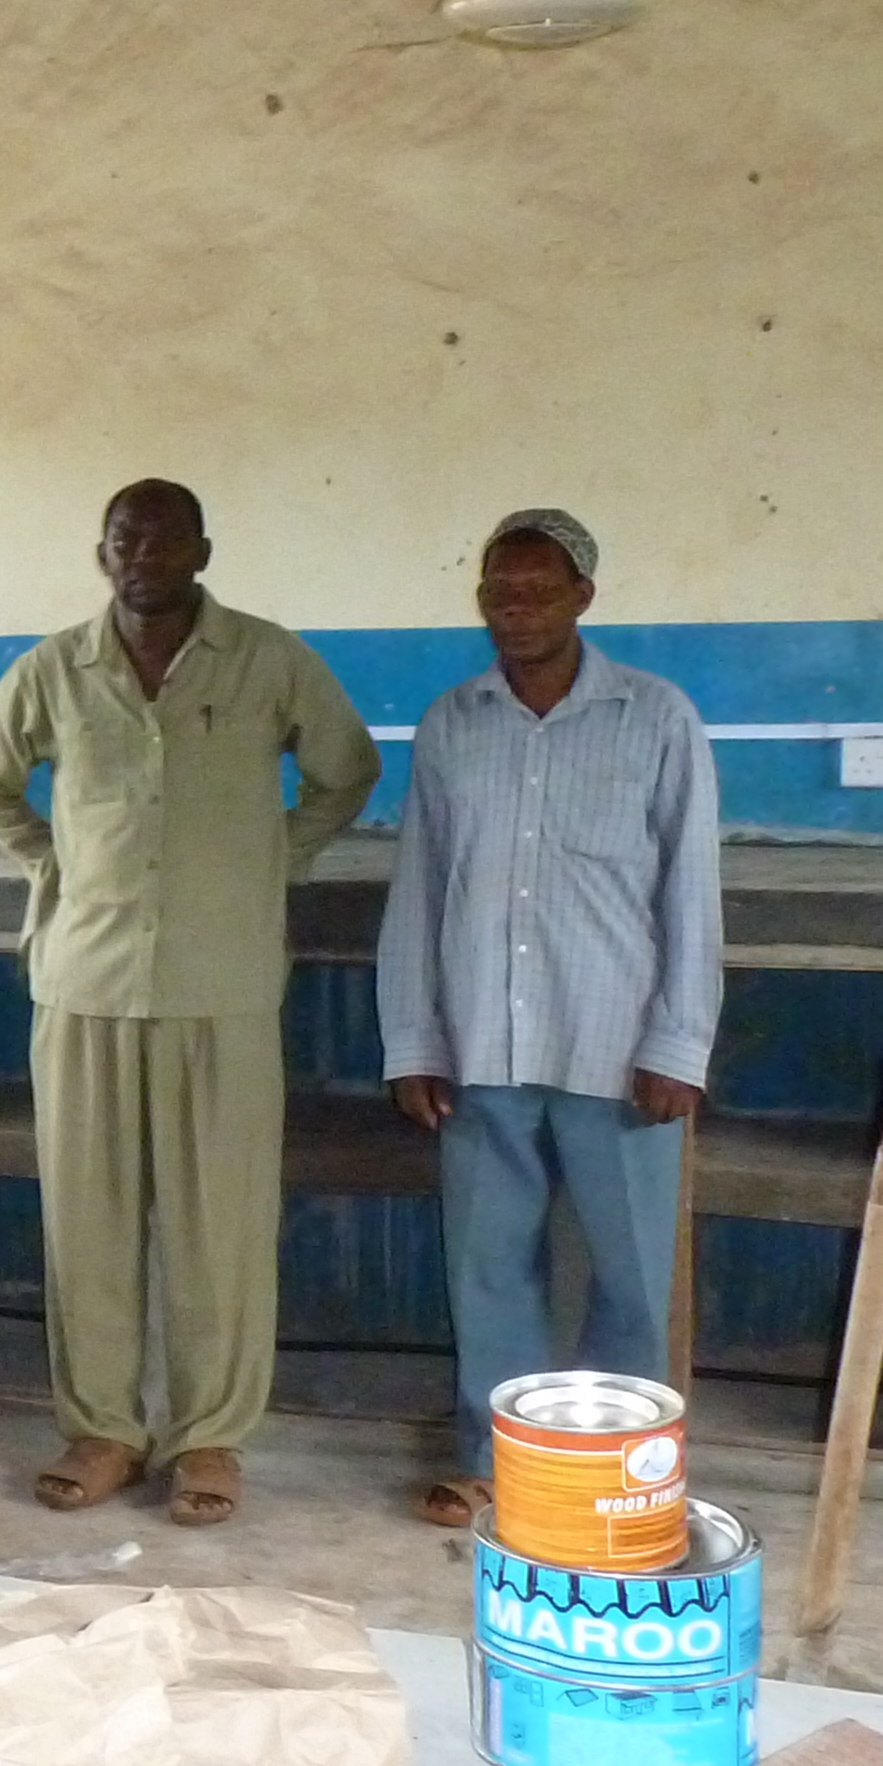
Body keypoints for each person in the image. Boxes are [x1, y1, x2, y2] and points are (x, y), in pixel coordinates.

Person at [0, 480, 380, 1527]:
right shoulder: (56, 666)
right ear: (102, 555)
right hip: (84, 981)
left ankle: (210, 1440)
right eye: (122, 537)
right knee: (87, 1217)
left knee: (219, 1223)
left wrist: (272, 859)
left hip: (221, 984)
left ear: (203, 549)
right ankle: (103, 1429)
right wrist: (49, 864)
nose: (142, 552)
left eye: (164, 535)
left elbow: (347, 769)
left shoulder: (268, 659)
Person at [376, 508, 723, 1528]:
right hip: (483, 1041)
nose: (512, 608)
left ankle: (617, 1475)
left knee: (629, 1278)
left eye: (535, 590)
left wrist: (678, 1042)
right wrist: (415, 1041)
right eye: (496, 589)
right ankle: (495, 1462)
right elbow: (420, 890)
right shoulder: (453, 725)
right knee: (488, 1268)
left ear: (583, 598)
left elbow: (691, 891)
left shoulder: (655, 718)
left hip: (616, 1048)